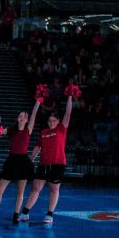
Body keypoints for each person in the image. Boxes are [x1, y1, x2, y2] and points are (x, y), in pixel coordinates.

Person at [21, 92, 74, 225]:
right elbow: (38, 147)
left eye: (54, 120)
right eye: (50, 121)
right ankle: (25, 213)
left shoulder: (62, 129)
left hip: (58, 164)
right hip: (43, 164)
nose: (51, 122)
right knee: (36, 188)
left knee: (54, 189)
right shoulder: (43, 132)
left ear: (58, 121)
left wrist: (70, 96)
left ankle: (49, 214)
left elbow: (68, 113)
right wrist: (31, 159)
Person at [0, 100, 41, 224]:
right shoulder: (10, 130)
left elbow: (34, 113)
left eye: (25, 116)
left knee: (20, 191)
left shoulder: (28, 129)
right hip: (11, 160)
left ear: (27, 119)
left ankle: (15, 215)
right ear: (17, 118)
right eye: (21, 116)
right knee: (0, 189)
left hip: (23, 162)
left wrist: (38, 101)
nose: (22, 118)